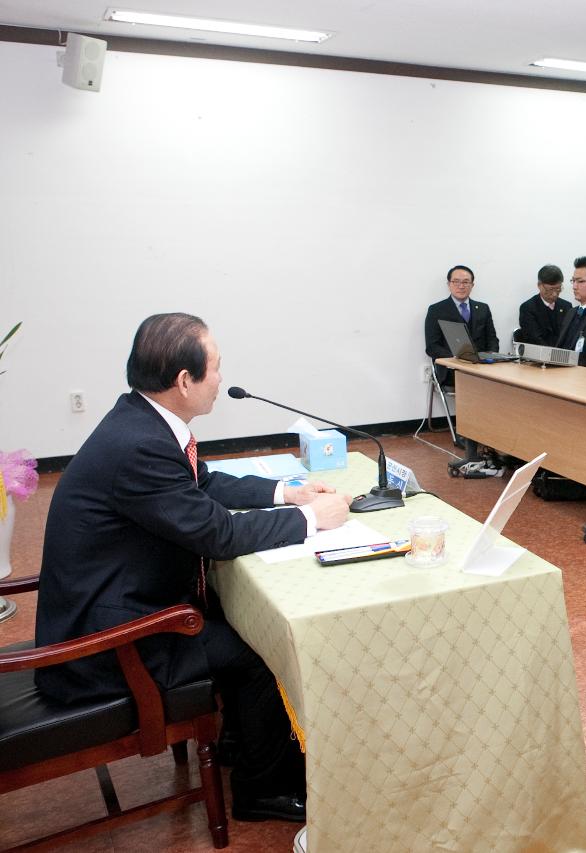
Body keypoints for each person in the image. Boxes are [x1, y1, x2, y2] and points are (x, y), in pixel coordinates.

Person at [35, 313, 352, 823]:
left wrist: (285, 492)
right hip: (109, 641)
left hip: (117, 600)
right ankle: (261, 790)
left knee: (237, 618)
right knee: (259, 651)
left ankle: (239, 743)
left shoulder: (140, 420)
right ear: (184, 381)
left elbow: (200, 485)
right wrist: (310, 519)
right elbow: (218, 535)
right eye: (217, 368)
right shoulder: (140, 444)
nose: (222, 379)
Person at [424, 264, 500, 384]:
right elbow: (432, 347)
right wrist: (457, 359)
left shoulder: (483, 308)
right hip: (452, 369)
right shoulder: (436, 310)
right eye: (456, 282)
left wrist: (490, 357)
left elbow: (492, 339)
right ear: (449, 284)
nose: (461, 286)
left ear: (472, 285)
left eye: (466, 282)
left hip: (482, 367)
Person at [516, 264, 570, 347]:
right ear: (539, 285)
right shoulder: (528, 308)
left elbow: (569, 336)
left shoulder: (567, 306)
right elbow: (535, 339)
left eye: (558, 288)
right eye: (550, 289)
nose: (555, 294)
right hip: (539, 355)